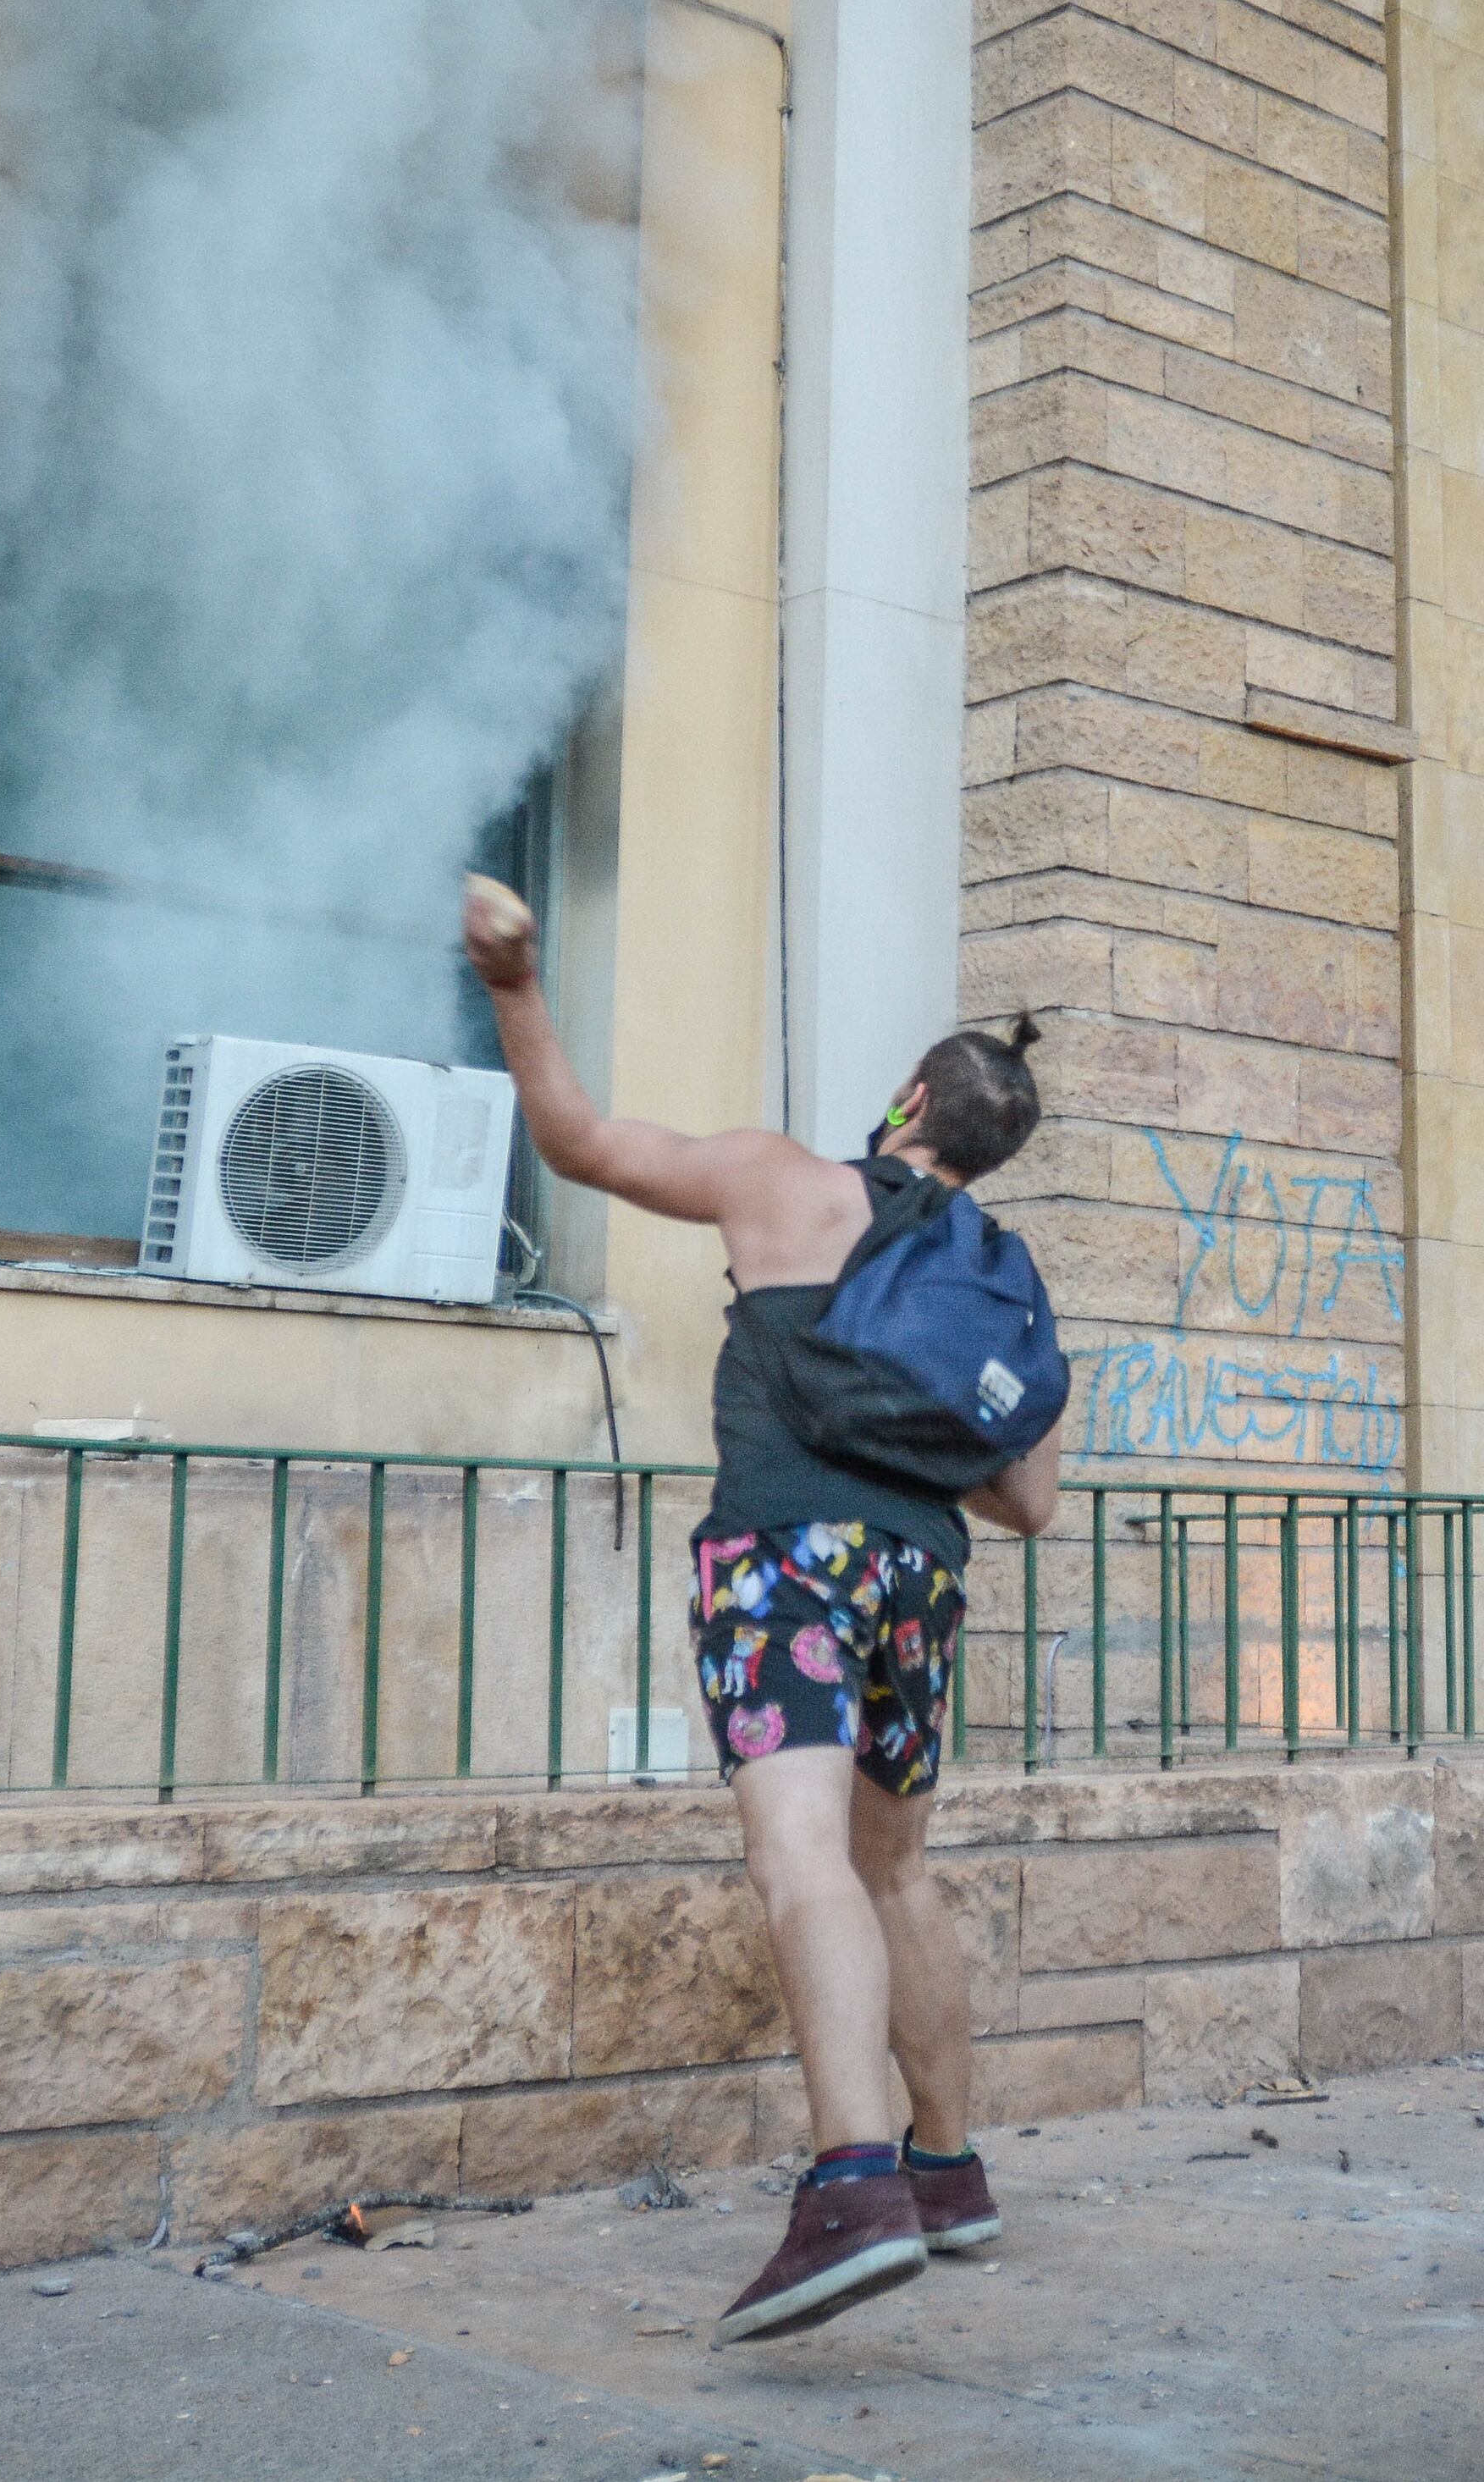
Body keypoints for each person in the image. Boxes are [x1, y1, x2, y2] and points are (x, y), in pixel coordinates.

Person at [461, 877, 1061, 2347]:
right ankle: (948, 2166)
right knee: (896, 1869)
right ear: (991, 1148)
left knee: (801, 1856)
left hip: (787, 1561)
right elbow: (1029, 1498)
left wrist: (518, 979)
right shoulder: (1006, 1278)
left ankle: (853, 2185)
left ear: (911, 1095)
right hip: (919, 1576)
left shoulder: (786, 1179)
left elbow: (579, 1140)